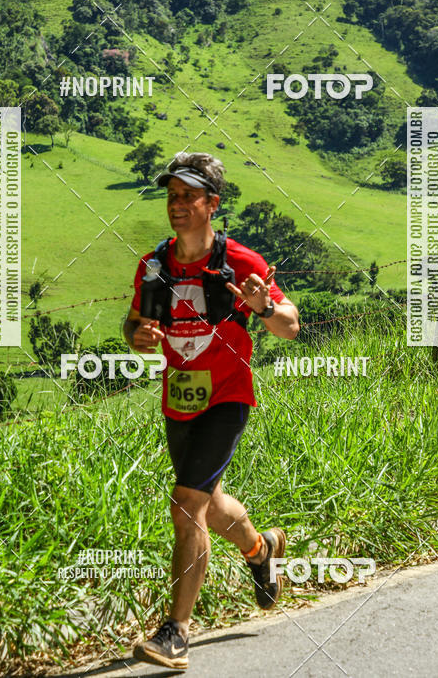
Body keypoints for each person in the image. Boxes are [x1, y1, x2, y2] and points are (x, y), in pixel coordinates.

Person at [124, 152, 300, 671]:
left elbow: (289, 325)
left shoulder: (241, 263)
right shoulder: (153, 266)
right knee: (209, 502)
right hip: (178, 395)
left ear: (212, 204)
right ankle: (261, 549)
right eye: (172, 196)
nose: (177, 206)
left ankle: (176, 631)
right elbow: (135, 326)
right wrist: (138, 337)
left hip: (227, 395)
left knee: (185, 506)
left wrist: (263, 306)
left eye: (188, 197)